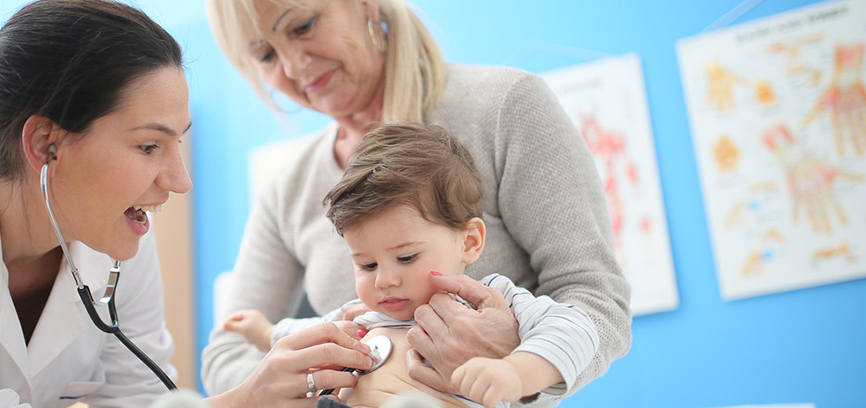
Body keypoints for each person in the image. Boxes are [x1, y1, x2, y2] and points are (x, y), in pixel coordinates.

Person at [0, 1, 374, 407]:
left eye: (178, 144)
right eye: (148, 145)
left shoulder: (112, 241)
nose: (180, 180)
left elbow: (137, 398)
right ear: (45, 144)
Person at [201, 0, 632, 405]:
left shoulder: (504, 106)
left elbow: (598, 300)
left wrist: (518, 367)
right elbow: (227, 348)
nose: (293, 67)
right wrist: (317, 389)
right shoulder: (287, 190)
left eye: (303, 26)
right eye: (265, 56)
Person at [223, 123, 600, 408]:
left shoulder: (491, 302)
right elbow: (306, 336)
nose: (385, 280)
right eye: (367, 264)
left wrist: (516, 371)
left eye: (406, 258)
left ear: (469, 242)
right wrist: (265, 331)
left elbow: (577, 330)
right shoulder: (359, 317)